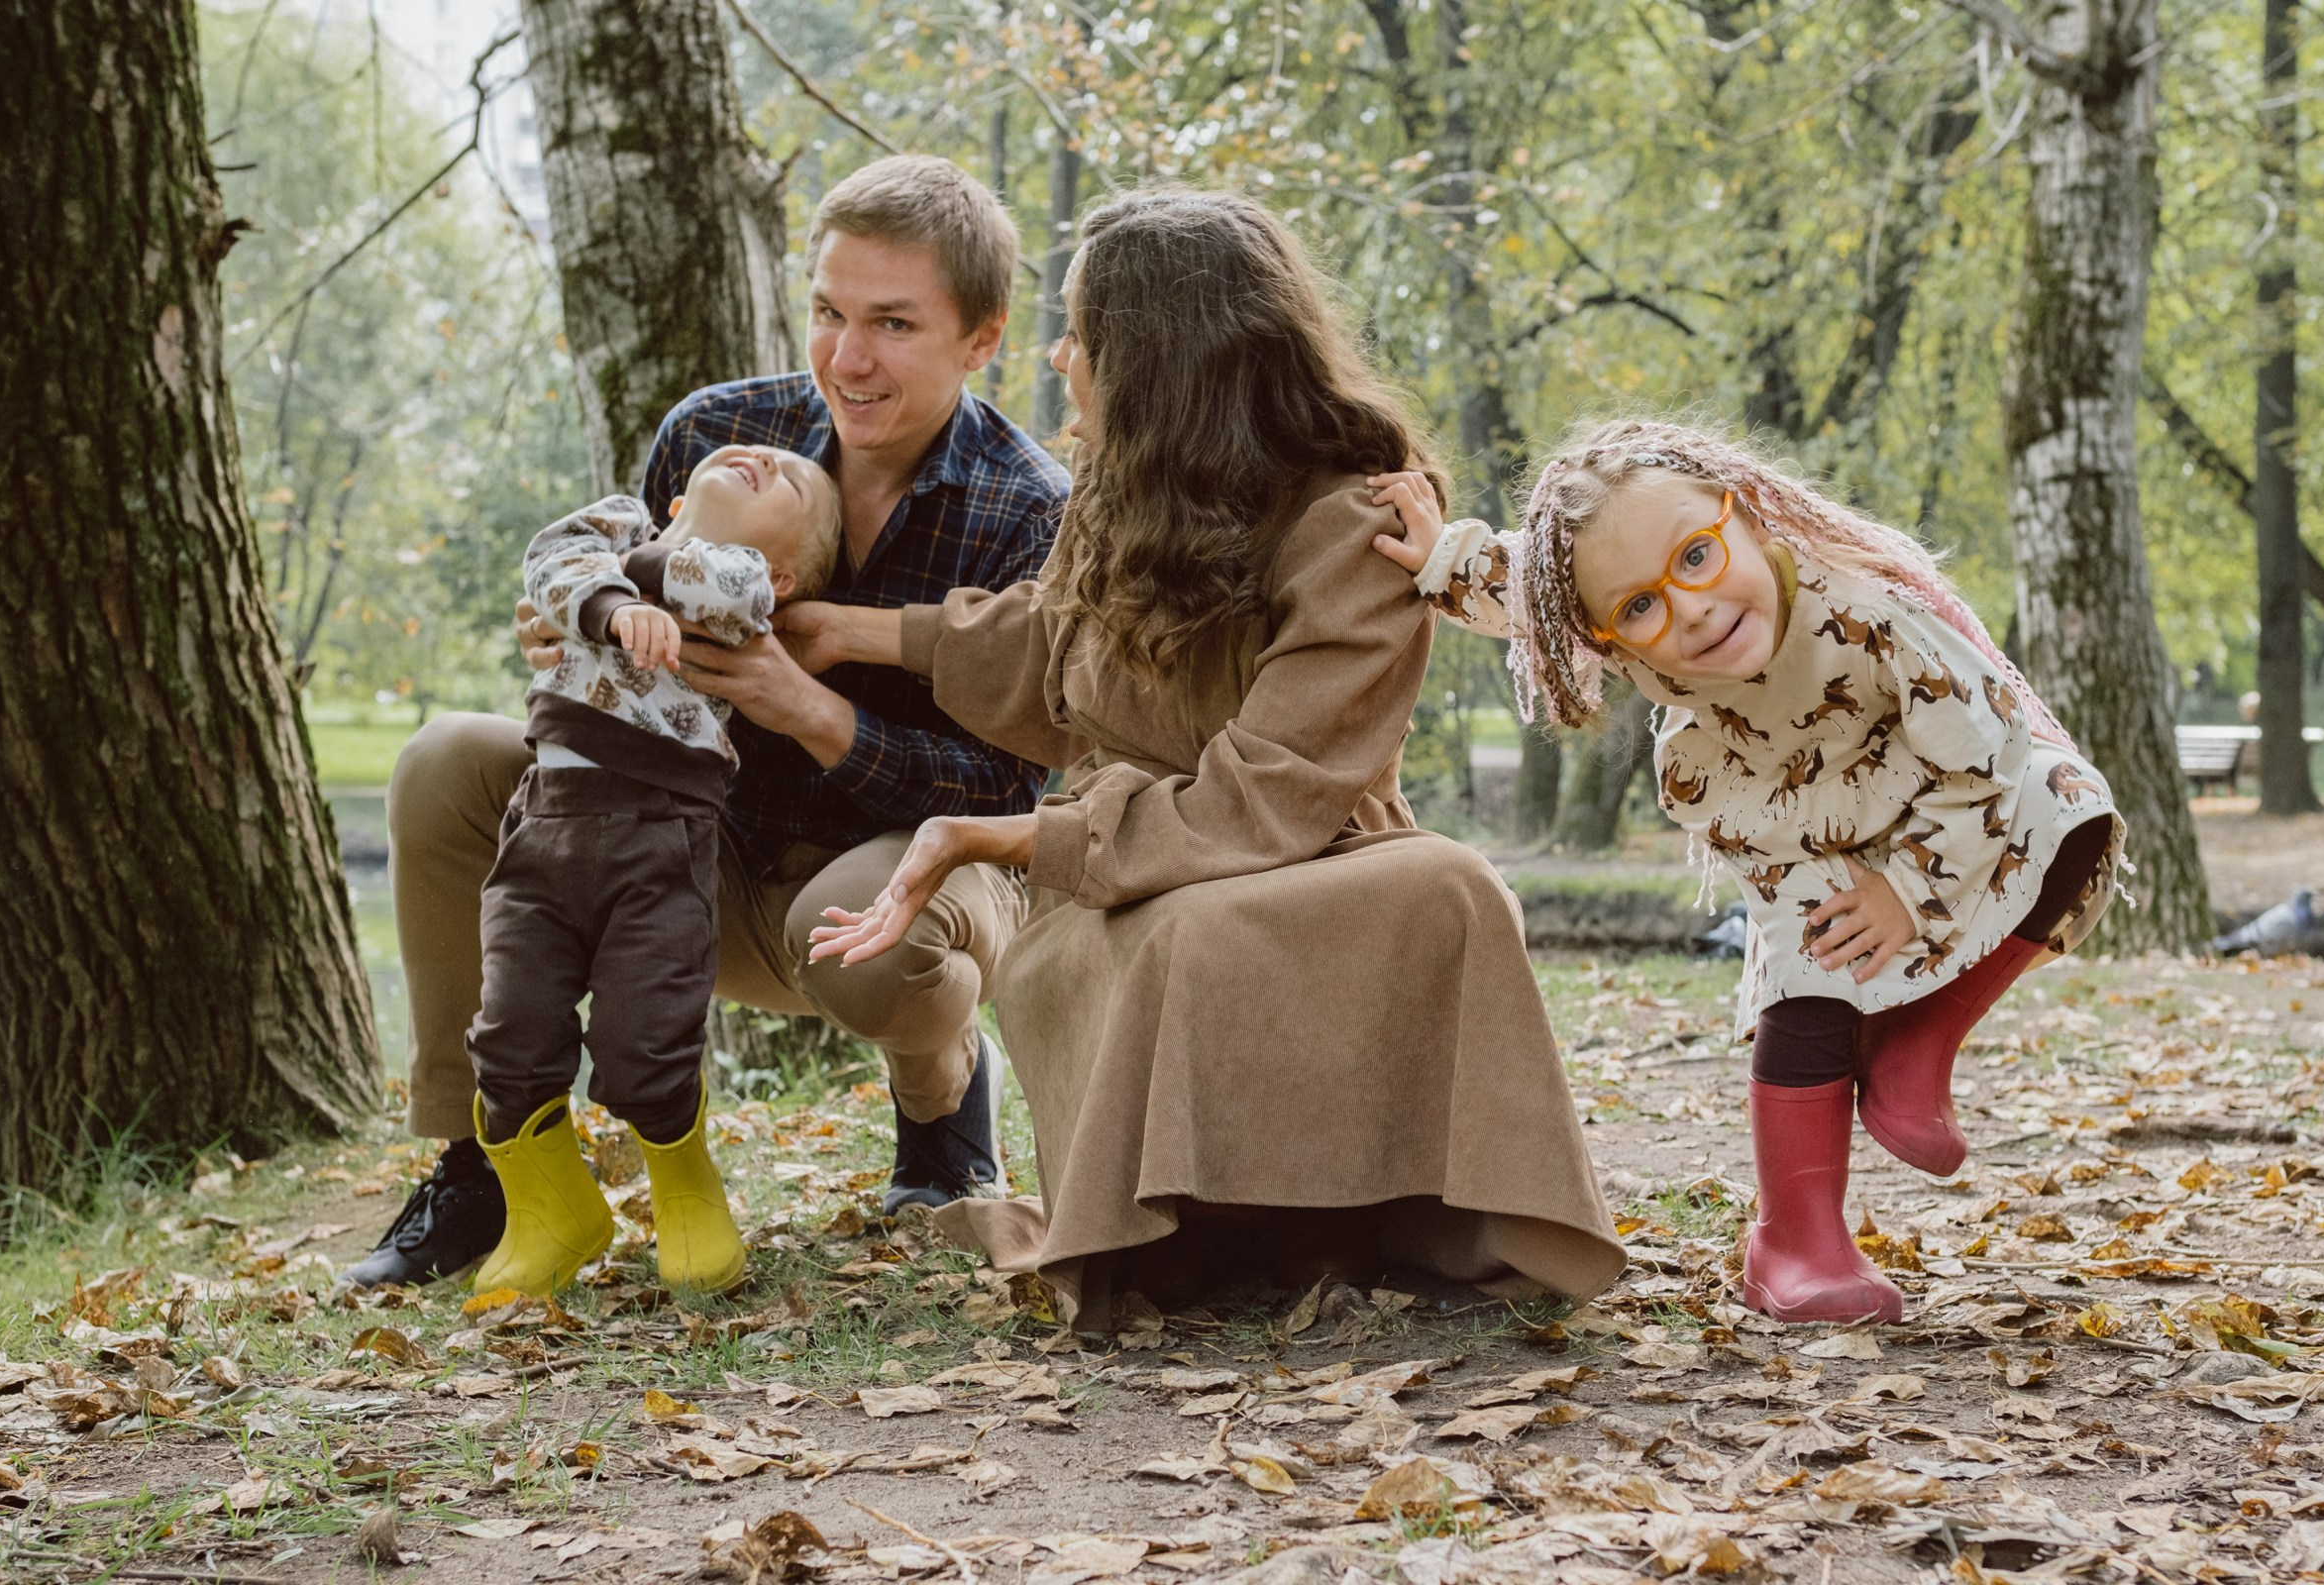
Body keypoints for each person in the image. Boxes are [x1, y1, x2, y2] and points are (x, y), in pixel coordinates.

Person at [785, 188, 1626, 1329]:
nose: (1060, 356)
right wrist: (847, 631)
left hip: (1308, 867)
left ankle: (1388, 1213)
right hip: (1145, 868)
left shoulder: (1353, 519)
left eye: (1084, 333)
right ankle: (1204, 1234)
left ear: (1159, 359)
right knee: (1150, 930)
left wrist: (1020, 836)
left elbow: (1268, 795)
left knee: (1427, 889)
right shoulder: (1121, 492)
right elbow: (1048, 643)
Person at [342, 156, 1069, 1289]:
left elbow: (1013, 796)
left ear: (982, 339)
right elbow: (608, 591)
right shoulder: (721, 431)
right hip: (678, 851)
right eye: (828, 311)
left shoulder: (1030, 511)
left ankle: (938, 1100)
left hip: (893, 881)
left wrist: (815, 710)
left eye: (892, 323)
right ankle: (486, 1161)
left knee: (870, 940)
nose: (847, 357)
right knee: (449, 762)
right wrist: (575, 632)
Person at [1371, 417, 2125, 1324]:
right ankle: (1797, 1240)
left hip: (1935, 797)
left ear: (1752, 517)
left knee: (2070, 801)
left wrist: (1909, 892)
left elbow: (1986, 760)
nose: (1688, 608)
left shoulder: (1876, 609)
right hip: (1778, 812)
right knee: (1813, 976)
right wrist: (1436, 556)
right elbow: (1522, 588)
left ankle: (1916, 1044)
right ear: (1608, 639)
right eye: (1639, 608)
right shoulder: (1604, 605)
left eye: (1696, 557)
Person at [464, 445, 839, 1298]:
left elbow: (723, 591)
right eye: (747, 453)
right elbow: (550, 563)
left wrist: (621, 579)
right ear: (671, 500)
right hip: (546, 823)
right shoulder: (608, 527)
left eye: (791, 478)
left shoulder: (741, 585)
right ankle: (551, 1207)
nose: (757, 457)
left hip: (660, 839)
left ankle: (685, 1187)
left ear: (787, 574)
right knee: (511, 1029)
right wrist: (605, 596)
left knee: (646, 1040)